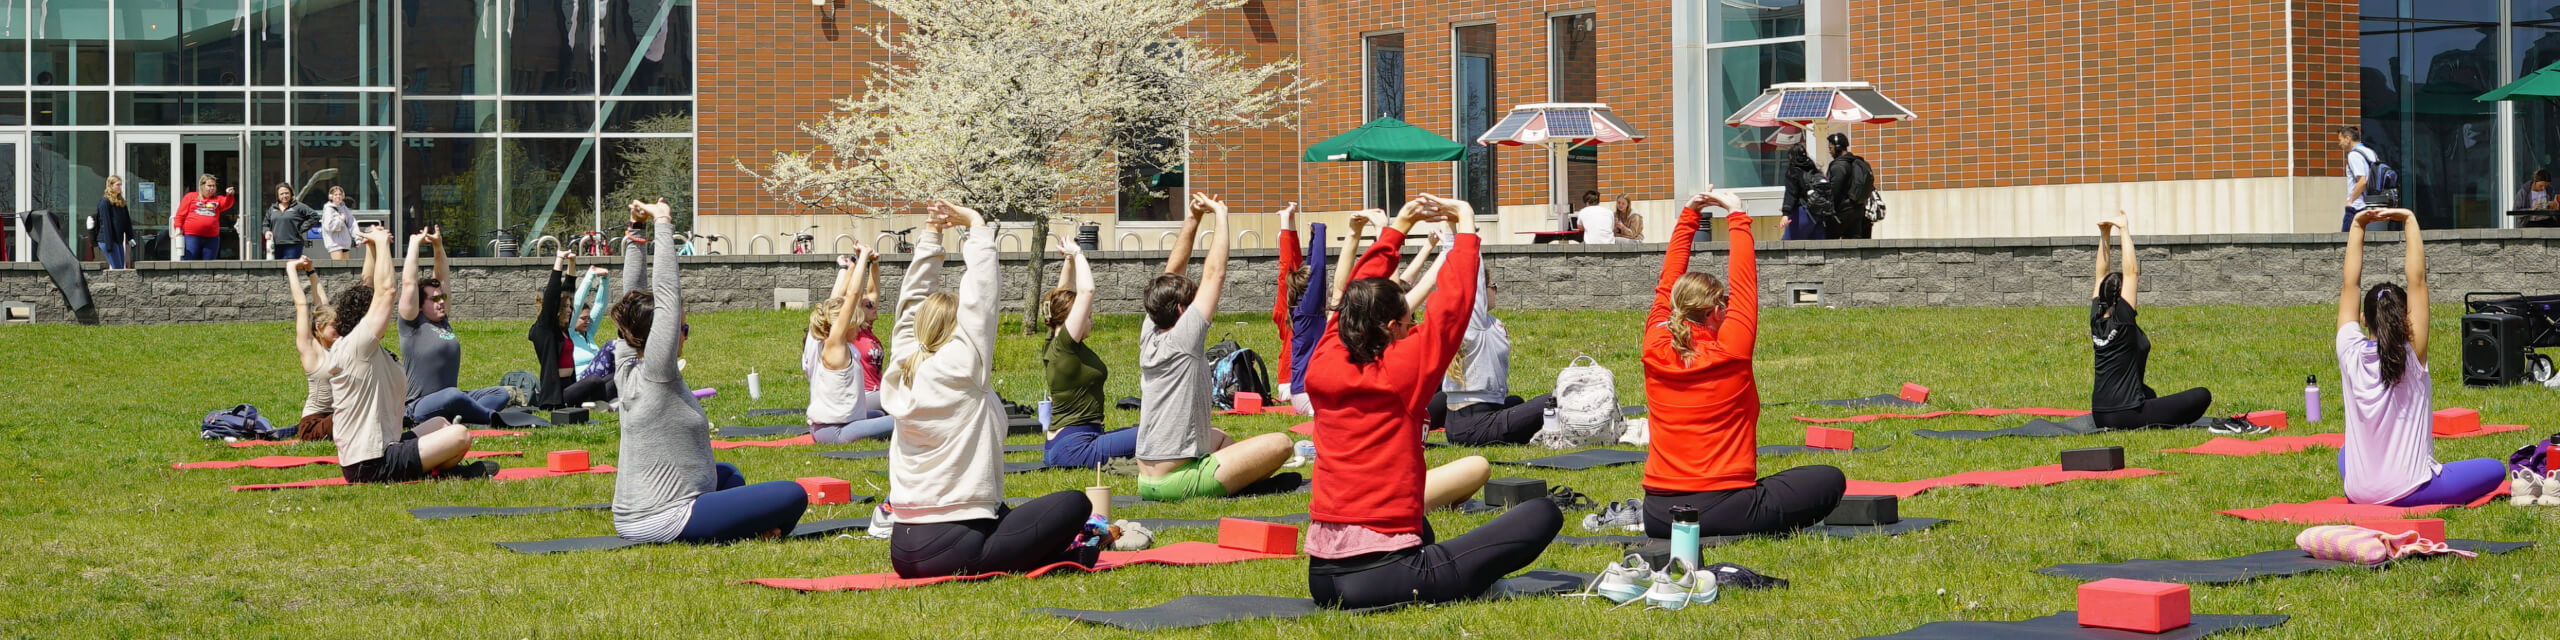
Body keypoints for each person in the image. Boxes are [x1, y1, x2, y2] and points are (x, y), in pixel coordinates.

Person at [1304, 193, 1554, 610]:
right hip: (1384, 575)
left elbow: (1352, 299)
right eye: (1405, 323)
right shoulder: (1397, 373)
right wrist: (1466, 227)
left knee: (1424, 525)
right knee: (1542, 514)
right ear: (1389, 327)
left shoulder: (1324, 360)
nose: (1411, 329)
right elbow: (1451, 310)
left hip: (1322, 576)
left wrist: (1397, 228)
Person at [885, 200, 1098, 578]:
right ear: (958, 333)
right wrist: (977, 229)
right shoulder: (962, 368)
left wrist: (932, 236)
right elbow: (980, 299)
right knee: (1075, 504)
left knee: (1015, 519)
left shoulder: (902, 364)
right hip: (957, 545)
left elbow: (909, 306)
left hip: (902, 548)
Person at [1640, 189, 1845, 539]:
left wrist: (1690, 215)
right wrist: (1737, 214)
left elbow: (1666, 285)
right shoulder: (1731, 352)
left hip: (1659, 514)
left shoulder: (1654, 343)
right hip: (1726, 507)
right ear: (1717, 312)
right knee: (1829, 479)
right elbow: (1746, 284)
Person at [611, 199, 813, 544]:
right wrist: (663, 222)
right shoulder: (658, 372)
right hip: (666, 518)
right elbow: (665, 296)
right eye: (682, 329)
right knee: (793, 494)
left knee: (728, 476)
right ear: (663, 333)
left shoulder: (627, 363)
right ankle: (754, 530)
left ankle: (749, 527)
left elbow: (633, 296)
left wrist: (636, 231)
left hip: (631, 518)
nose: (684, 335)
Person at [2336, 208, 2504, 507]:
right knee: (2496, 468)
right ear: (2406, 320)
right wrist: (2410, 219)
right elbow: (2418, 282)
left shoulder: (2348, 348)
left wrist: (2358, 226)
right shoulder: (2412, 354)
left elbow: (2350, 285)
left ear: (2364, 319)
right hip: (2411, 491)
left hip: (2358, 491)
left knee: (2345, 453)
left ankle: (2373, 485)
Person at [1134, 192, 1294, 502]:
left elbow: (1172, 271)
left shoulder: (1150, 329)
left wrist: (1193, 220)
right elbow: (1214, 274)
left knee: (1222, 439)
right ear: (1182, 310)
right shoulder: (1184, 337)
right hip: (1177, 482)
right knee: (1282, 444)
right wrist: (1221, 216)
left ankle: (1230, 479)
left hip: (1146, 477)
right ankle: (1221, 484)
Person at [323, 227, 494, 482]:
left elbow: (367, 288)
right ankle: (444, 472)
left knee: (440, 424)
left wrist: (372, 248)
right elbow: (385, 293)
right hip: (371, 463)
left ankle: (440, 470)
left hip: (384, 447)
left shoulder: (359, 346)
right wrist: (383, 244)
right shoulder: (356, 347)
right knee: (460, 435)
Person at [2084, 215, 2223, 431]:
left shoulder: (2096, 319)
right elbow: (2132, 273)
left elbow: (2100, 274)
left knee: (2149, 394)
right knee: (2202, 395)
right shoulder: (2123, 321)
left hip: (2100, 414)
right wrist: (2123, 229)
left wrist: (2104, 234)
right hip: (2125, 414)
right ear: (2121, 298)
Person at [398, 225, 515, 424]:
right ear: (419, 305)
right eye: (434, 299)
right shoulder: (412, 325)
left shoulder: (443, 321)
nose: (441, 301)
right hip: (419, 405)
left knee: (500, 393)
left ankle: (465, 416)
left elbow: (443, 277)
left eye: (441, 297)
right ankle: (487, 418)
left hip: (453, 399)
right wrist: (414, 245)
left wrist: (438, 245)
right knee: (453, 395)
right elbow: (409, 283)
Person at [1040, 235, 1134, 467]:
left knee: (1146, 431)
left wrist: (1070, 260)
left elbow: (1063, 294)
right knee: (1159, 433)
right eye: (1088, 317)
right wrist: (1080, 254)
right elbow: (1086, 291)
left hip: (1063, 445)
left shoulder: (1053, 341)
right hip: (1075, 446)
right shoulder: (1065, 346)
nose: (1091, 321)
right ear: (1073, 320)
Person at [1428, 266, 1546, 446]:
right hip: (1473, 426)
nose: (1496, 291)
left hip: (1481, 415)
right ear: (1479, 292)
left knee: (1516, 402)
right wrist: (1462, 241)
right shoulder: (1470, 325)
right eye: (1493, 286)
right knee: (1550, 401)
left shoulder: (1492, 323)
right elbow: (1470, 274)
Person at [809, 247, 894, 444]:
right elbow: (853, 294)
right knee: (904, 421)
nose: (858, 326)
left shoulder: (837, 344)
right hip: (836, 430)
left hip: (840, 424)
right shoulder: (834, 346)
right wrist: (863, 256)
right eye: (853, 322)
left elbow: (838, 299)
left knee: (879, 416)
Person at [530, 250, 610, 409]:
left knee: (613, 378)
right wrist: (559, 259)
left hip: (572, 386)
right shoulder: (545, 330)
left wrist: (572, 263)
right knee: (595, 380)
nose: (569, 310)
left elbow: (569, 291)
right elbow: (553, 293)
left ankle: (601, 404)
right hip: (556, 395)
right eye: (565, 307)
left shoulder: (564, 329)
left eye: (569, 307)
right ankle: (601, 405)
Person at [1270, 202, 1317, 408]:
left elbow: (1291, 266)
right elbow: (1287, 267)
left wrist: (1288, 220)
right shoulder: (1299, 313)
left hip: (1292, 383)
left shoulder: (1289, 309)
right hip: (1296, 385)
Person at [1823, 133, 1877, 240]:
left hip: (1842, 211)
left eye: (1831, 148)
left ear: (1838, 147)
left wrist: (1827, 209)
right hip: (1858, 209)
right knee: (1854, 242)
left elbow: (1834, 190)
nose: (1830, 151)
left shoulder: (1839, 165)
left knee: (1830, 242)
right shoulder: (1857, 162)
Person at [171, 174, 235, 261]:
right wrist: (178, 228)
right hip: (192, 236)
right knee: (189, 263)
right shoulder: (190, 197)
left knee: (208, 266)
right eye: (209, 186)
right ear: (202, 186)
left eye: (214, 186)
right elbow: (180, 215)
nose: (212, 188)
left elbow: (227, 203)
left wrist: (229, 195)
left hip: (211, 238)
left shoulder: (217, 199)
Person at [2338, 126, 2383, 232]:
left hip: (2357, 207)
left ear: (2348, 139)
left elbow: (2362, 181)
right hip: (2371, 204)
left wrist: (2351, 200)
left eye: (2340, 140)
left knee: (2346, 243)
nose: (2339, 144)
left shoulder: (2354, 155)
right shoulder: (2371, 152)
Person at [1781, 144, 1828, 241]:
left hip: (1802, 213)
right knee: (1817, 249)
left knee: (1789, 246)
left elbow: (1791, 193)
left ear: (1791, 157)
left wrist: (1785, 213)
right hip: (1819, 213)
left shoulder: (1793, 171)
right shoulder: (1814, 170)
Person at [262, 183, 319, 261]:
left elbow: (315, 216)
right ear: (277, 196)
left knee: (289, 268)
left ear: (291, 194)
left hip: (293, 245)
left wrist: (301, 228)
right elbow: (265, 224)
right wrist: (266, 231)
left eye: (286, 193)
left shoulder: (299, 206)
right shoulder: (272, 208)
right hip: (275, 245)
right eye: (281, 194)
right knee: (277, 270)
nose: (284, 196)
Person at [92, 176, 133, 269]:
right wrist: (109, 245)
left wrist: (131, 237)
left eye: (120, 185)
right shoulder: (105, 203)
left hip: (117, 240)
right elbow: (106, 224)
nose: (120, 187)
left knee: (120, 268)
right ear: (111, 186)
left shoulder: (121, 202)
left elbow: (127, 222)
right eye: (117, 185)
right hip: (107, 240)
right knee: (117, 268)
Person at [318, 187, 356, 260]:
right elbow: (329, 227)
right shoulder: (328, 209)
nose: (338, 196)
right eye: (335, 194)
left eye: (340, 194)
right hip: (335, 244)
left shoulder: (344, 208)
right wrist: (341, 219)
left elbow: (352, 223)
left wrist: (358, 238)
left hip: (345, 243)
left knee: (346, 268)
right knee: (339, 269)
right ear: (331, 196)